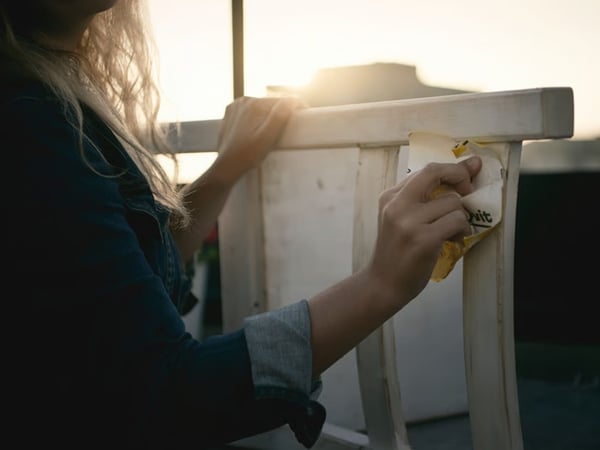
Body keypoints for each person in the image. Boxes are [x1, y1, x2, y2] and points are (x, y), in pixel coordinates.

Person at [1, 1, 482, 449]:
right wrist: (380, 284)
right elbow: (168, 394)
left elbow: (117, 285)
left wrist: (223, 171)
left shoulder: (39, 102)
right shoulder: (29, 123)